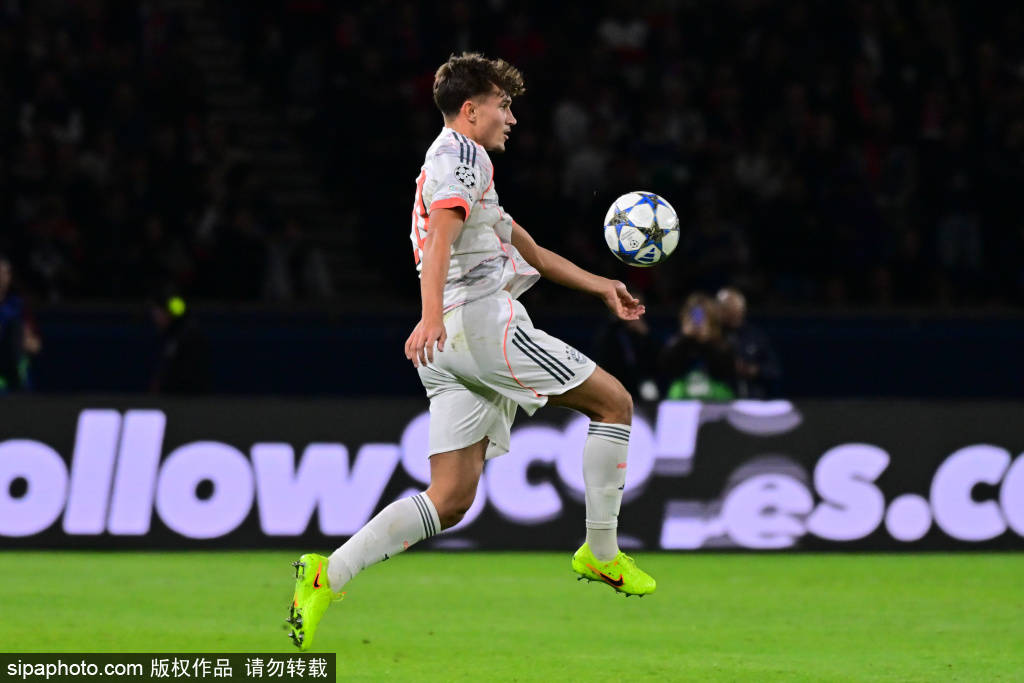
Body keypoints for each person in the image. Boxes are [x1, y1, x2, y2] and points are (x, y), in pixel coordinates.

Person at [287, 53, 656, 651]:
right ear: (471, 110)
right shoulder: (464, 157)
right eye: (503, 106)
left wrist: (601, 286)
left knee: (451, 497)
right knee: (614, 404)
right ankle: (602, 552)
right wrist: (431, 315)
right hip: (480, 326)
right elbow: (440, 236)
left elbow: (531, 251)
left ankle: (327, 574)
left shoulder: (454, 164)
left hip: (450, 350)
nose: (512, 117)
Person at [658, 292, 736, 400]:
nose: (698, 322)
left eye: (704, 317)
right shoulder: (679, 342)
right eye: (694, 316)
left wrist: (708, 341)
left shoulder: (722, 342)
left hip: (716, 393)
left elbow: (725, 372)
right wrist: (683, 338)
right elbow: (666, 369)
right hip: (683, 393)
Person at [716, 287, 782, 398]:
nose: (733, 313)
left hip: (752, 400)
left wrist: (753, 370)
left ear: (743, 310)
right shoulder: (713, 336)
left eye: (736, 308)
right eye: (727, 309)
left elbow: (774, 370)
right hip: (720, 398)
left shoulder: (755, 336)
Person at [148, 292, 211, 395]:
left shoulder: (189, 338)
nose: (155, 318)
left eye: (157, 312)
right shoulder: (172, 337)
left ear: (168, 312)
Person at [0, 255, 42, 393]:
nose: (1, 277)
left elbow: (36, 346)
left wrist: (20, 341)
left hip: (17, 387)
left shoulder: (19, 307)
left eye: (5, 272)